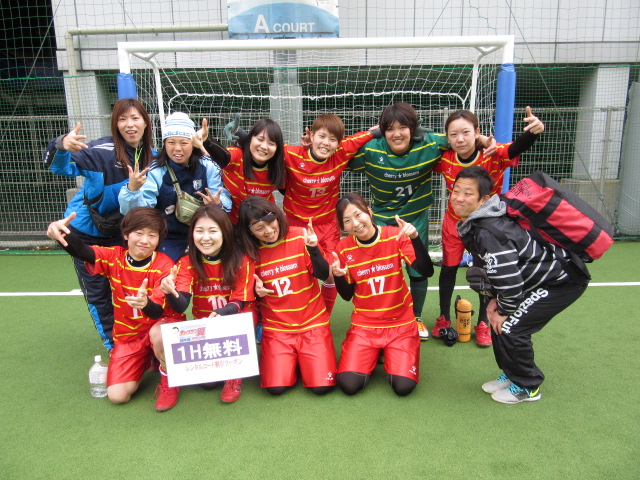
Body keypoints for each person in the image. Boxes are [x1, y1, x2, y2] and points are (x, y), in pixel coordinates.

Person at [349, 103, 493, 340]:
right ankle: (378, 316)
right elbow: (341, 153)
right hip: (383, 220)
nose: (397, 134)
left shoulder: (430, 143)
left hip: (416, 218)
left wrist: (484, 140)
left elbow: (461, 139)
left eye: (403, 127)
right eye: (389, 129)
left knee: (417, 270)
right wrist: (370, 134)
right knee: (379, 272)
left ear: (413, 129)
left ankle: (415, 317)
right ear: (383, 131)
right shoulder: (371, 150)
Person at [452, 166, 589, 404]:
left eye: (468, 193)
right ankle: (512, 374)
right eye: (456, 191)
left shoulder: (488, 231)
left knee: (510, 326)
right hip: (533, 279)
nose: (459, 198)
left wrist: (503, 308)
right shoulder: (477, 223)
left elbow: (509, 280)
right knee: (497, 321)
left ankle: (528, 386)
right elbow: (494, 271)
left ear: (484, 200)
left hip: (562, 281)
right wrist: (493, 301)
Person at [227, 113, 378, 315]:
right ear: (311, 135)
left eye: (333, 139)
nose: (326, 143)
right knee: (286, 270)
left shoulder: (341, 153)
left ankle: (322, 318)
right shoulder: (292, 154)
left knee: (331, 271)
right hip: (294, 225)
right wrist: (239, 134)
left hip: (327, 226)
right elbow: (267, 147)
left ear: (339, 143)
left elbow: (370, 134)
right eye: (322, 136)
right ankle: (273, 315)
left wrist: (396, 129)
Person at [44, 98, 155, 352]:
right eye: (123, 119)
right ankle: (114, 347)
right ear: (115, 124)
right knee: (99, 294)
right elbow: (58, 167)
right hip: (86, 234)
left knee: (131, 289)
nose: (130, 124)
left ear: (146, 123)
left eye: (135, 118)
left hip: (123, 235)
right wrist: (61, 145)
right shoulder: (99, 151)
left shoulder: (155, 157)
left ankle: (141, 343)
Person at [431, 106, 545, 347]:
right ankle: (443, 318)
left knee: (486, 272)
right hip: (454, 222)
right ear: (447, 137)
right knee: (448, 269)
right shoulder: (445, 158)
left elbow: (515, 148)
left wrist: (533, 132)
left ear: (477, 132)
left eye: (466, 132)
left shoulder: (492, 152)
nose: (460, 139)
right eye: (453, 134)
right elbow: (423, 141)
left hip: (486, 226)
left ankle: (483, 322)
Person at [46, 207, 177, 406]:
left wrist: (145, 304)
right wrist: (60, 233)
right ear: (126, 234)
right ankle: (145, 359)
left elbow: (157, 311)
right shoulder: (114, 256)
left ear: (158, 239)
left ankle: (168, 379)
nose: (145, 240)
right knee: (118, 396)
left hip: (157, 328)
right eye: (139, 233)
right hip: (129, 336)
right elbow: (84, 251)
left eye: (152, 235)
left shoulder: (164, 265)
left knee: (158, 333)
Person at [147, 205, 257, 411]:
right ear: (192, 234)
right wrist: (170, 291)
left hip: (231, 320)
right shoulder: (187, 262)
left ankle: (234, 375)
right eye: (199, 231)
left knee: (246, 316)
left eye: (212, 231)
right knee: (207, 383)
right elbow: (182, 305)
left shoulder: (241, 259)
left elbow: (239, 301)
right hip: (204, 327)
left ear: (224, 232)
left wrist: (221, 314)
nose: (205, 237)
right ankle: (169, 381)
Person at [331, 193, 434, 396]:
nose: (355, 223)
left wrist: (415, 237)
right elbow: (346, 295)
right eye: (347, 221)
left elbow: (426, 271)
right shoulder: (343, 248)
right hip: (365, 326)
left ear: (369, 212)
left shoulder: (395, 235)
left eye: (358, 215)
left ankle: (388, 351)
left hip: (400, 324)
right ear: (343, 227)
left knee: (403, 387)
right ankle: (377, 350)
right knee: (349, 384)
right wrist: (338, 276)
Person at [236, 196, 336, 396]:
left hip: (312, 323)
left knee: (321, 387)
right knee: (275, 389)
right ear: (249, 231)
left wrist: (314, 250)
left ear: (277, 215)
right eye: (259, 227)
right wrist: (256, 292)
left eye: (270, 221)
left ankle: (305, 359)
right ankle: (292, 360)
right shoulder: (250, 253)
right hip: (277, 329)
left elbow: (324, 274)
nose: (268, 230)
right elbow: (245, 293)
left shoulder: (300, 236)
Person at [118, 112, 232, 262]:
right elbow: (138, 213)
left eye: (184, 143)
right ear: (164, 144)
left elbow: (224, 198)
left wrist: (218, 203)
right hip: (168, 237)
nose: (177, 148)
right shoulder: (156, 170)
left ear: (193, 144)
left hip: (203, 234)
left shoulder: (208, 166)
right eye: (171, 142)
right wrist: (132, 190)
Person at [193, 117, 286, 224]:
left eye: (271, 143)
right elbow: (224, 156)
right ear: (250, 139)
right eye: (260, 140)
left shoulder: (278, 167)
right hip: (232, 223)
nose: (264, 147)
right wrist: (206, 140)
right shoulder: (237, 156)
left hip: (261, 223)